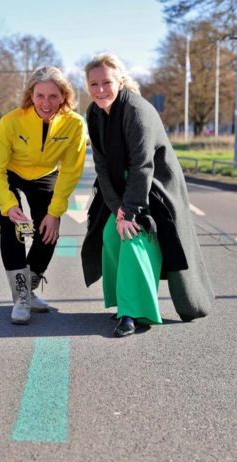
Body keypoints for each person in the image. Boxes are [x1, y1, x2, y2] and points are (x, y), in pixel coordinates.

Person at [80, 53, 214, 337]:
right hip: (121, 190)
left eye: (106, 82)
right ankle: (123, 301)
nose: (100, 89)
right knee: (109, 235)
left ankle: (134, 313)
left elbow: (143, 166)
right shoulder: (93, 113)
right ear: (87, 86)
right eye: (94, 84)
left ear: (120, 81)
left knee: (134, 236)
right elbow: (102, 166)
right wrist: (117, 208)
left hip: (155, 187)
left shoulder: (137, 110)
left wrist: (129, 213)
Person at [0, 66, 87, 325]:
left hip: (45, 175)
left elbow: (71, 170)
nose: (46, 103)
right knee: (13, 228)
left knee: (49, 232)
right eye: (40, 95)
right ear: (31, 95)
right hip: (8, 172)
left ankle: (29, 290)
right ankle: (20, 297)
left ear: (64, 96)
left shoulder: (74, 124)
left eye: (53, 96)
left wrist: (55, 212)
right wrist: (8, 205)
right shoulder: (11, 120)